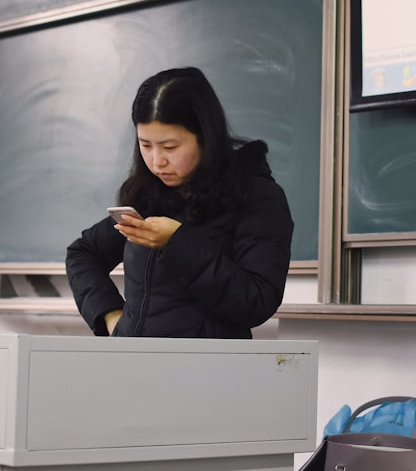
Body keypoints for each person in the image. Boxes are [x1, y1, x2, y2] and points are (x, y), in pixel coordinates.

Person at [65, 66, 293, 338]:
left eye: (170, 147)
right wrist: (110, 316)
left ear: (205, 137)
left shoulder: (257, 196)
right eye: (145, 145)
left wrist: (176, 243)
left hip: (208, 373)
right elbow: (83, 253)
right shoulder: (153, 197)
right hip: (132, 368)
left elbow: (258, 301)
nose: (157, 160)